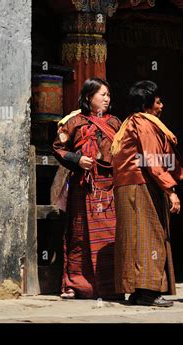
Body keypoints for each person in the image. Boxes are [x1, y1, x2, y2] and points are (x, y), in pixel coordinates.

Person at [111, 80, 183, 307]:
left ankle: (138, 291)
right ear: (146, 105)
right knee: (150, 236)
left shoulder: (130, 123)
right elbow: (153, 161)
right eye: (157, 102)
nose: (161, 106)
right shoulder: (144, 124)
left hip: (130, 186)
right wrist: (171, 190)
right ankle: (148, 291)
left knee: (134, 237)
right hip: (140, 185)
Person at [52, 77, 122, 300]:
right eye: (103, 95)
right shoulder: (74, 122)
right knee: (80, 235)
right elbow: (58, 147)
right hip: (84, 186)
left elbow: (126, 151)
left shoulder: (115, 124)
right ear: (89, 97)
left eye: (108, 95)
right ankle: (76, 285)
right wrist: (77, 160)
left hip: (109, 189)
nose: (107, 99)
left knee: (109, 237)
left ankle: (111, 287)